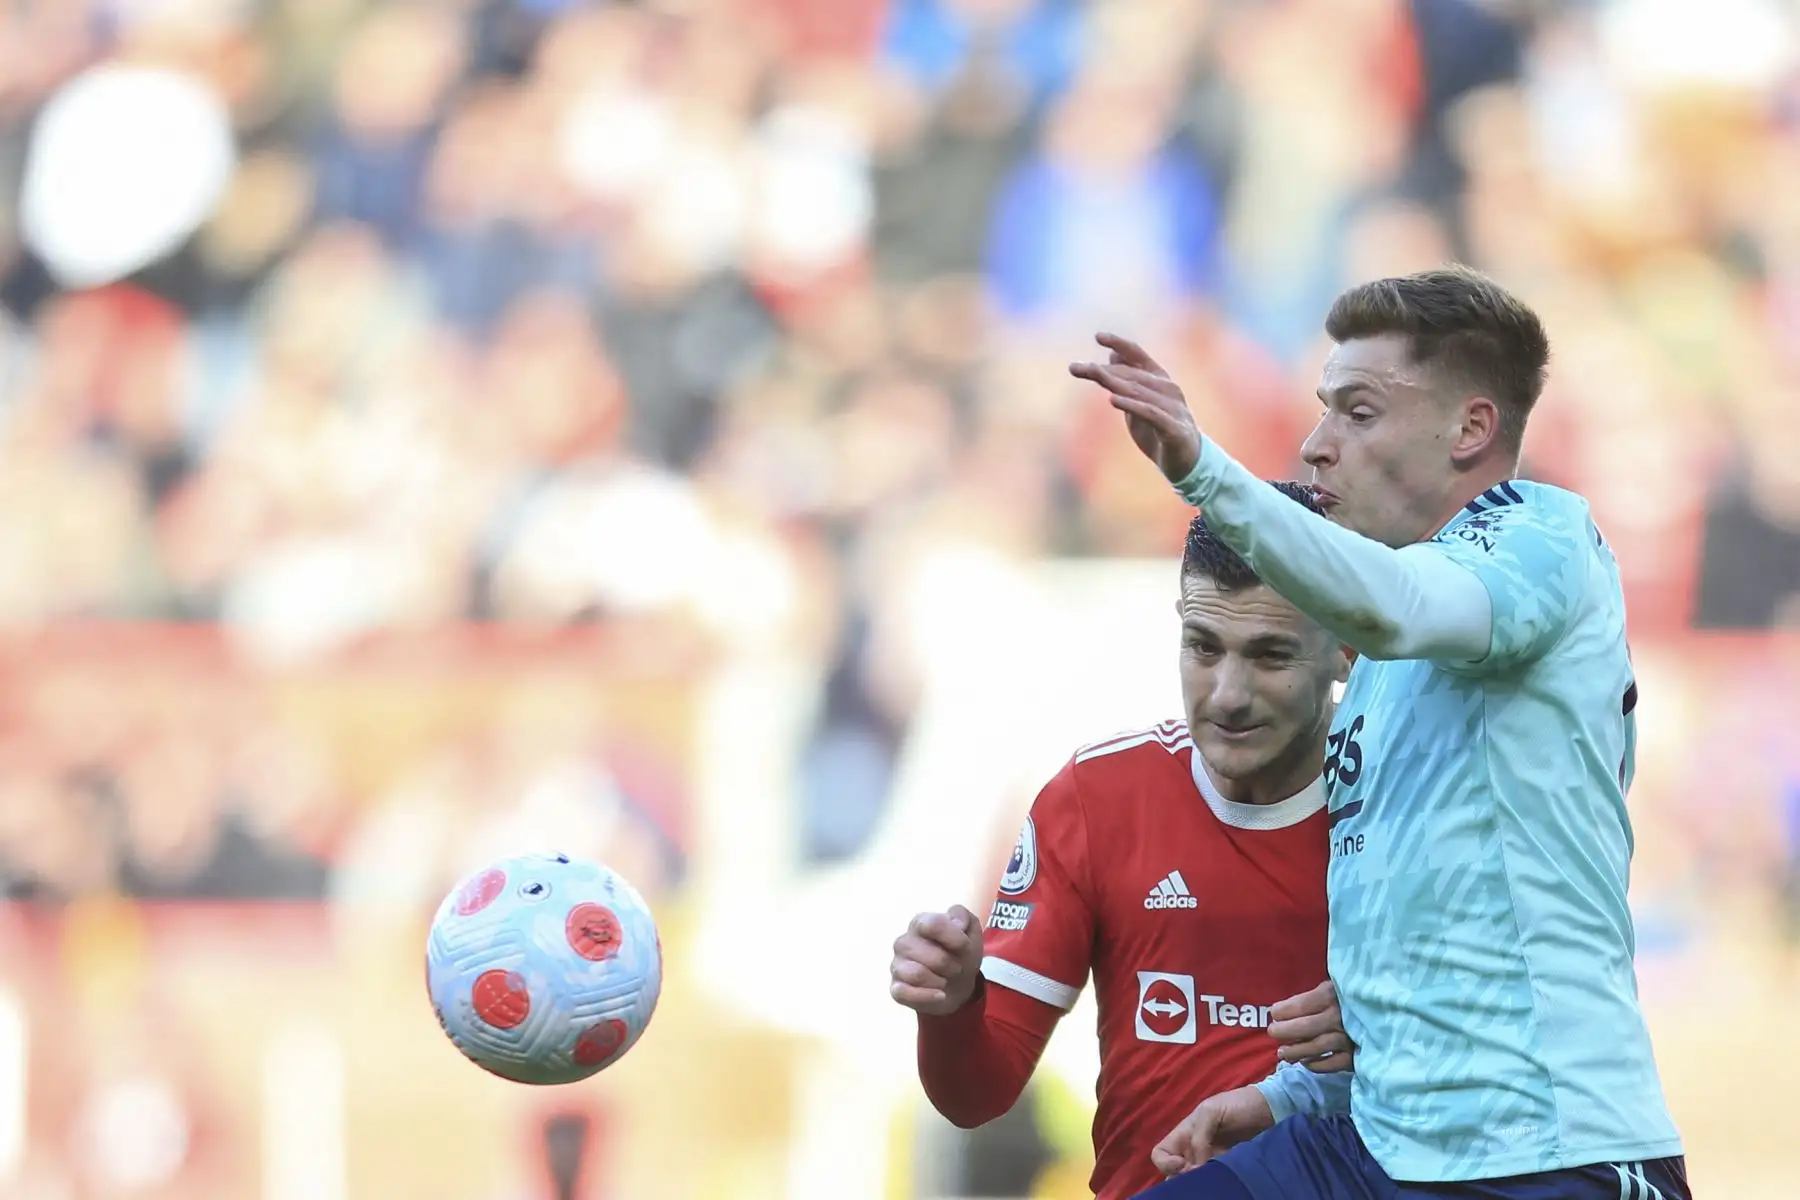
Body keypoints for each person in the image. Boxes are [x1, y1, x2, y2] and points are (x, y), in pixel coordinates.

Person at [1069, 265, 1691, 1200]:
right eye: (1322, 412)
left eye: (1357, 415)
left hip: (1543, 1150)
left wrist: (1204, 467)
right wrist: (1292, 1095)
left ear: (1472, 430)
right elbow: (1423, 912)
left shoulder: (1542, 538)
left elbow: (1400, 606)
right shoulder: (1376, 667)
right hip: (1373, 1145)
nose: (1316, 448)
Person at [889, 485, 1355, 1200]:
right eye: (1204, 647)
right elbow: (976, 1095)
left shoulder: (1401, 805)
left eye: (1269, 656)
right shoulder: (1097, 797)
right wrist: (952, 1010)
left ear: (1345, 650)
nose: (1227, 693)